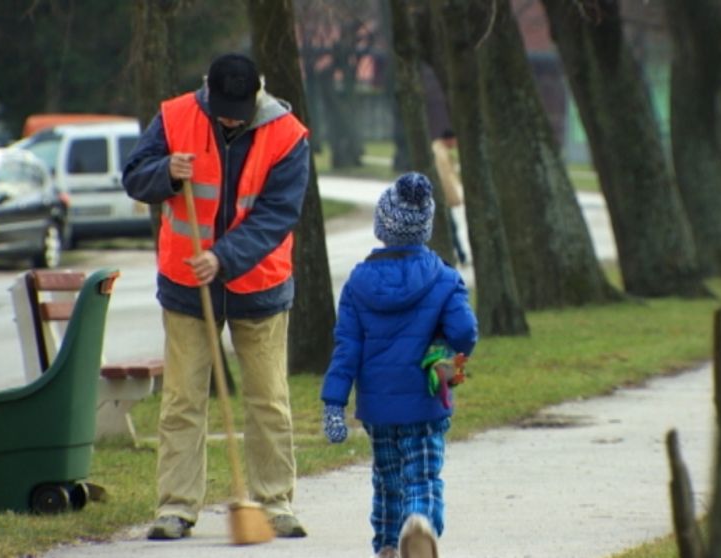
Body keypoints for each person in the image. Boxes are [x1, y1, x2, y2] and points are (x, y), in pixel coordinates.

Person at [122, 52, 310, 540]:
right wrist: (165, 170)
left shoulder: (288, 135)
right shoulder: (176, 117)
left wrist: (224, 257)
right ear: (209, 92)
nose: (229, 118)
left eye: (238, 111)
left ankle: (275, 502)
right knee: (183, 400)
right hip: (187, 286)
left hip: (259, 286)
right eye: (222, 109)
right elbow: (134, 176)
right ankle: (176, 507)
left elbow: (277, 214)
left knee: (268, 399)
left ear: (257, 95)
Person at [320, 172, 479, 558]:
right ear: (424, 228)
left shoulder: (358, 282)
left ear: (382, 226)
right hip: (426, 400)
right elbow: (465, 332)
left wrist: (333, 404)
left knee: (387, 478)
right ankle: (419, 522)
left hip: (377, 407)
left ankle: (388, 544)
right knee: (422, 474)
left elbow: (346, 349)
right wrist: (441, 344)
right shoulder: (444, 277)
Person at [430, 129, 467, 265]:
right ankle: (458, 255)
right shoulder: (441, 154)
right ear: (449, 139)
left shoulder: (438, 150)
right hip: (441, 199)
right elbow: (445, 179)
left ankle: (458, 255)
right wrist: (453, 198)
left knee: (450, 227)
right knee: (450, 227)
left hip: (438, 198)